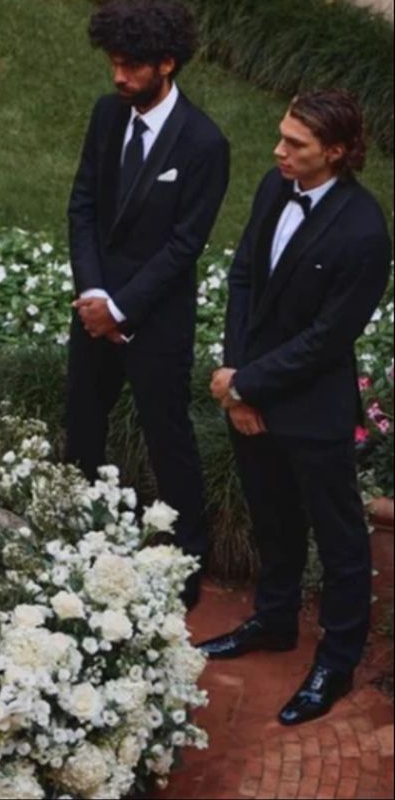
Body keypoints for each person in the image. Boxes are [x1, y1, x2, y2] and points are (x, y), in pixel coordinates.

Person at [199, 90, 392, 726]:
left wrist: (248, 383)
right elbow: (244, 280)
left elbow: (328, 340)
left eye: (295, 144)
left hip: (311, 412)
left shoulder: (365, 231)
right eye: (282, 137)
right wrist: (237, 385)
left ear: (335, 152)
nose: (278, 150)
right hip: (251, 398)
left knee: (339, 543)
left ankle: (335, 662)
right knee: (273, 522)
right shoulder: (274, 185)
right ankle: (274, 622)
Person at [64, 0, 230, 609]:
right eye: (114, 63)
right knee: (81, 427)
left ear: (167, 64)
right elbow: (82, 207)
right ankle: (74, 542)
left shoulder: (205, 143)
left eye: (132, 66)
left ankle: (187, 561)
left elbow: (185, 245)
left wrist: (123, 308)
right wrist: (94, 294)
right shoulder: (107, 117)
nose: (118, 77)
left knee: (169, 439)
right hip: (93, 309)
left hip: (156, 322)